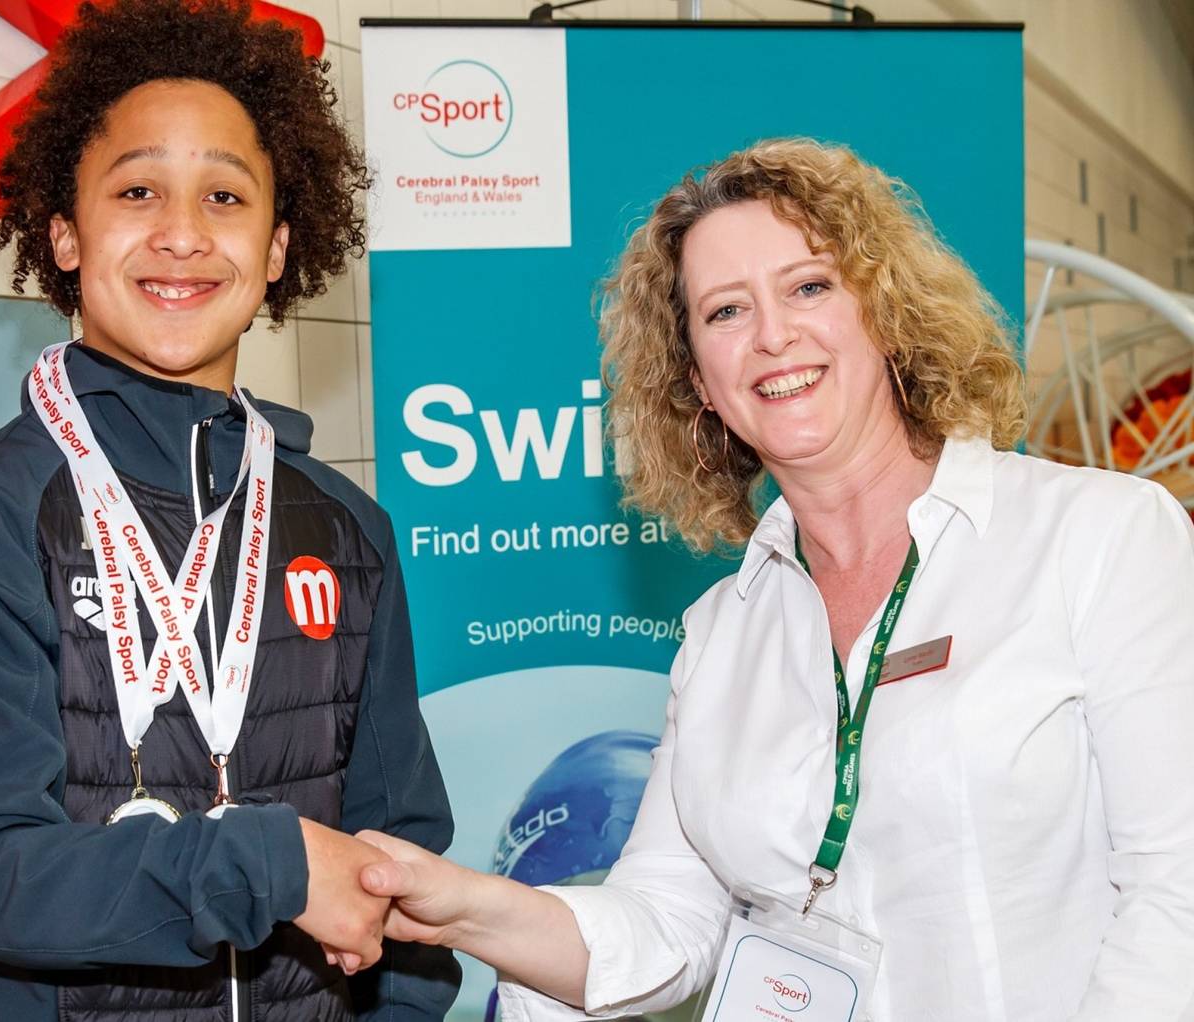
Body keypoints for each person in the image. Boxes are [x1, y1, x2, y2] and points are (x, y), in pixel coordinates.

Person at [351, 139, 1194, 1020]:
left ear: (886, 311)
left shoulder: (1100, 538)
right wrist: (461, 907)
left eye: (809, 287)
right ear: (701, 386)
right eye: (724, 312)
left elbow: (1178, 897)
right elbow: (665, 925)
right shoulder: (724, 629)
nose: (772, 335)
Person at [0, 2, 458, 1020]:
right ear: (63, 232)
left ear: (279, 246)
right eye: (138, 189)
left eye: (227, 197)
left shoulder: (348, 530)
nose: (183, 234)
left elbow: (400, 862)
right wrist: (262, 863)